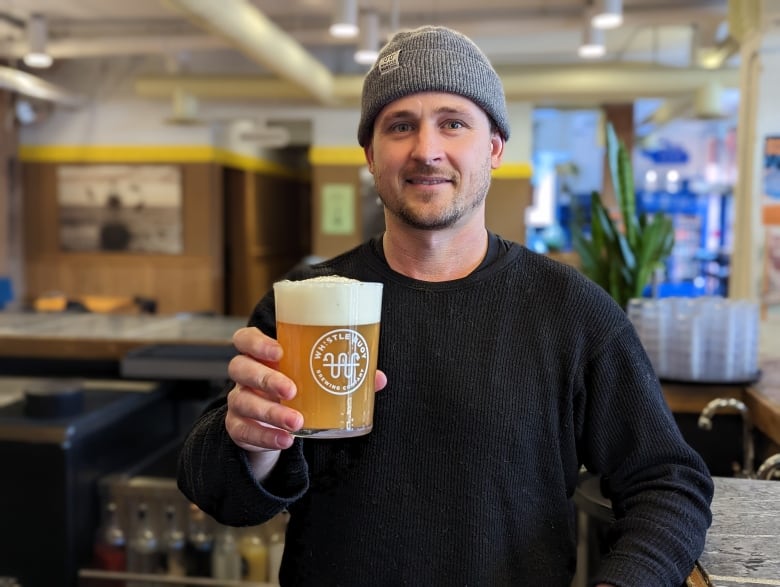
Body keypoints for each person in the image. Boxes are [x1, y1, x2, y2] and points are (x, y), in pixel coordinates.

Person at [177, 26, 713, 587]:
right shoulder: (306, 302)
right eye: (400, 125)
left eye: (453, 123)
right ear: (369, 154)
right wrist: (249, 444)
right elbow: (221, 496)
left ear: (495, 148)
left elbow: (668, 482)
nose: (425, 149)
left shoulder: (570, 311)